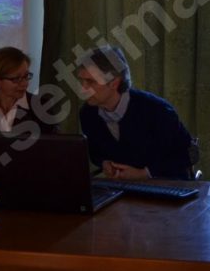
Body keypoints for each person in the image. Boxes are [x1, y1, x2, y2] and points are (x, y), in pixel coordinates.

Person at [77, 45, 195, 180]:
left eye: (91, 82)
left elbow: (186, 154)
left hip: (166, 189)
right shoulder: (88, 114)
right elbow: (96, 154)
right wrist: (105, 163)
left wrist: (144, 173)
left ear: (114, 83)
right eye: (82, 81)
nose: (83, 89)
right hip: (122, 191)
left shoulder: (157, 110)